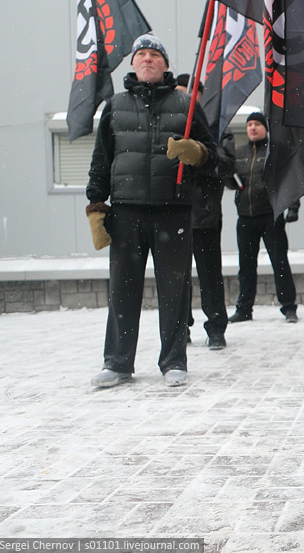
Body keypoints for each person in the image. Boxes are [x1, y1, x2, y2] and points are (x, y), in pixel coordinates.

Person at [86, 34, 219, 388]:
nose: (147, 60)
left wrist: (198, 153)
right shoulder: (114, 106)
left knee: (174, 290)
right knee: (122, 290)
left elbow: (215, 158)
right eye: (141, 54)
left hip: (172, 211)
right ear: (132, 64)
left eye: (154, 55)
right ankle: (117, 362)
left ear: (165, 64)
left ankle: (174, 360)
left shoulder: (186, 104)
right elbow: (101, 161)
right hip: (126, 212)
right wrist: (96, 207)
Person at [176, 74, 235, 350]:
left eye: (191, 94)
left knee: (210, 275)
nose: (186, 100)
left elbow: (226, 165)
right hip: (173, 212)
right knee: (177, 276)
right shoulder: (169, 123)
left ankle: (215, 328)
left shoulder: (217, 127)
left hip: (205, 212)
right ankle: (180, 327)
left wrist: (200, 155)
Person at [228, 112, 300, 324]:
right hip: (245, 217)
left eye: (257, 124)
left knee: (279, 263)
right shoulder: (239, 153)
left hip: (271, 216)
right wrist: (230, 181)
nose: (252, 128)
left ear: (265, 129)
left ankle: (289, 307)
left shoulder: (274, 153)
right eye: (249, 124)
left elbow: (289, 181)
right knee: (246, 266)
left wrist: (293, 207)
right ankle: (244, 309)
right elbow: (229, 176)